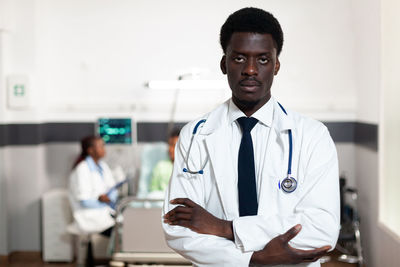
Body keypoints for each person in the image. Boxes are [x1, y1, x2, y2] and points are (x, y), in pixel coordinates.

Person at [162, 7, 340, 267]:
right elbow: (179, 229)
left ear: (276, 65)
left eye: (263, 59)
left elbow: (321, 232)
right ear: (224, 64)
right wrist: (254, 259)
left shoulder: (312, 136)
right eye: (239, 58)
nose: (251, 70)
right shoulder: (194, 135)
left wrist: (225, 228)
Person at [69, 135, 117, 235]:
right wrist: (102, 200)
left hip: (104, 213)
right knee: (121, 231)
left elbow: (113, 189)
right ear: (90, 150)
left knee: (128, 224)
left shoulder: (103, 166)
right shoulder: (82, 170)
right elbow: (85, 201)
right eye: (101, 146)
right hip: (89, 217)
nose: (104, 149)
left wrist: (108, 198)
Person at [149, 128, 180, 193]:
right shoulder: (160, 166)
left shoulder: (189, 169)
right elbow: (152, 191)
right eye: (169, 145)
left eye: (174, 145)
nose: (170, 149)